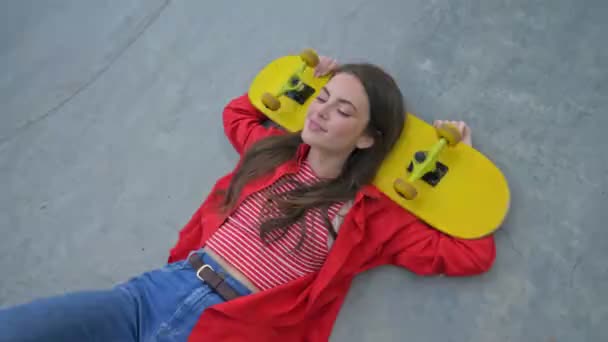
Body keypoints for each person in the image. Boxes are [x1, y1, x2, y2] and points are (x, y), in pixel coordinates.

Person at [0, 55, 495, 341]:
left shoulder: (369, 215)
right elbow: (239, 112)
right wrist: (302, 81)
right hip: (153, 294)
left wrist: (458, 173)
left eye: (342, 109)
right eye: (322, 98)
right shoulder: (272, 151)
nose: (321, 111)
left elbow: (471, 252)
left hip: (233, 328)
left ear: (368, 138)